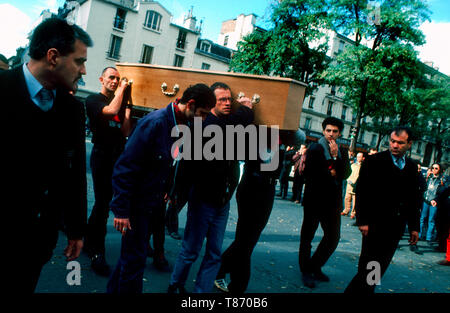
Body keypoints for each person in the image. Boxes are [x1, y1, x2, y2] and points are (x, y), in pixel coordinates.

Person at [1, 17, 92, 293]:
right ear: (53, 57)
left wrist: (76, 229)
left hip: (35, 242)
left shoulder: (72, 110)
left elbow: (75, 174)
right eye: (78, 61)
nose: (83, 69)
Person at [106, 84, 216, 293]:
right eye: (202, 113)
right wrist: (121, 210)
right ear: (190, 104)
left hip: (152, 200)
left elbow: (167, 162)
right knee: (134, 261)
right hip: (137, 202)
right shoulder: (156, 123)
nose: (203, 119)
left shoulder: (182, 124)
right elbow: (125, 167)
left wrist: (167, 189)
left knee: (131, 257)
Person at [168, 82, 254, 293]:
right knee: (191, 249)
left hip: (222, 201)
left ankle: (201, 293)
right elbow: (235, 123)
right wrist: (246, 109)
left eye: (229, 99)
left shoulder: (226, 123)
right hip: (202, 199)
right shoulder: (205, 125)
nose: (227, 103)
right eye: (222, 99)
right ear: (210, 103)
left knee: (214, 252)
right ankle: (175, 285)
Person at [345, 126, 422, 294]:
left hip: (396, 227)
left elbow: (413, 200)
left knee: (381, 265)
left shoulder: (411, 167)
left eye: (400, 143)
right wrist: (363, 221)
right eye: (392, 141)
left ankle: (367, 290)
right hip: (374, 225)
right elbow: (362, 191)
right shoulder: (374, 161)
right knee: (368, 266)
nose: (395, 146)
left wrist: (414, 227)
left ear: (409, 144)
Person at [214, 126, 281, 294]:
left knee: (246, 240)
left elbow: (298, 136)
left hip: (267, 189)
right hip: (252, 187)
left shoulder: (279, 133)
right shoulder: (254, 131)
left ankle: (219, 268)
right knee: (245, 241)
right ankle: (237, 285)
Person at [84, 67, 133, 276]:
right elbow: (111, 111)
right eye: (111, 78)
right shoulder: (94, 100)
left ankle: (89, 240)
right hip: (102, 155)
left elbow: (125, 131)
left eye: (118, 78)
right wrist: (122, 89)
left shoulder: (120, 102)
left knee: (104, 203)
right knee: (104, 203)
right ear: (101, 79)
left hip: (117, 157)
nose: (115, 81)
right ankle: (97, 251)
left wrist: (128, 110)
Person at [299, 117, 351, 288]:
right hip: (315, 199)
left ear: (340, 133)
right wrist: (332, 171)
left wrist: (335, 158)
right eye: (328, 130)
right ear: (323, 131)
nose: (331, 134)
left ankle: (315, 265)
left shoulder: (342, 150)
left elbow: (345, 173)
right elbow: (312, 174)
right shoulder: (315, 148)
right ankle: (306, 271)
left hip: (332, 202)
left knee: (333, 237)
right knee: (307, 236)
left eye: (335, 131)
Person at [420, 163, 445, 244]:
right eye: (433, 168)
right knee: (422, 218)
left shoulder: (441, 180)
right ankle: (420, 235)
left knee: (431, 220)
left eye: (436, 168)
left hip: (434, 202)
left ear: (439, 170)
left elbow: (442, 192)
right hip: (426, 200)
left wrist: (436, 200)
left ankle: (428, 237)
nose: (434, 170)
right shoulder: (428, 177)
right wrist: (427, 175)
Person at [341, 152, 364, 219]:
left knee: (355, 200)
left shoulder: (362, 167)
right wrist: (348, 179)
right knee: (347, 198)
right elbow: (349, 172)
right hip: (349, 183)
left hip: (356, 184)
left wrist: (354, 182)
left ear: (362, 158)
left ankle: (353, 213)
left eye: (360, 157)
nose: (358, 158)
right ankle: (346, 210)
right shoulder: (353, 165)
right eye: (357, 157)